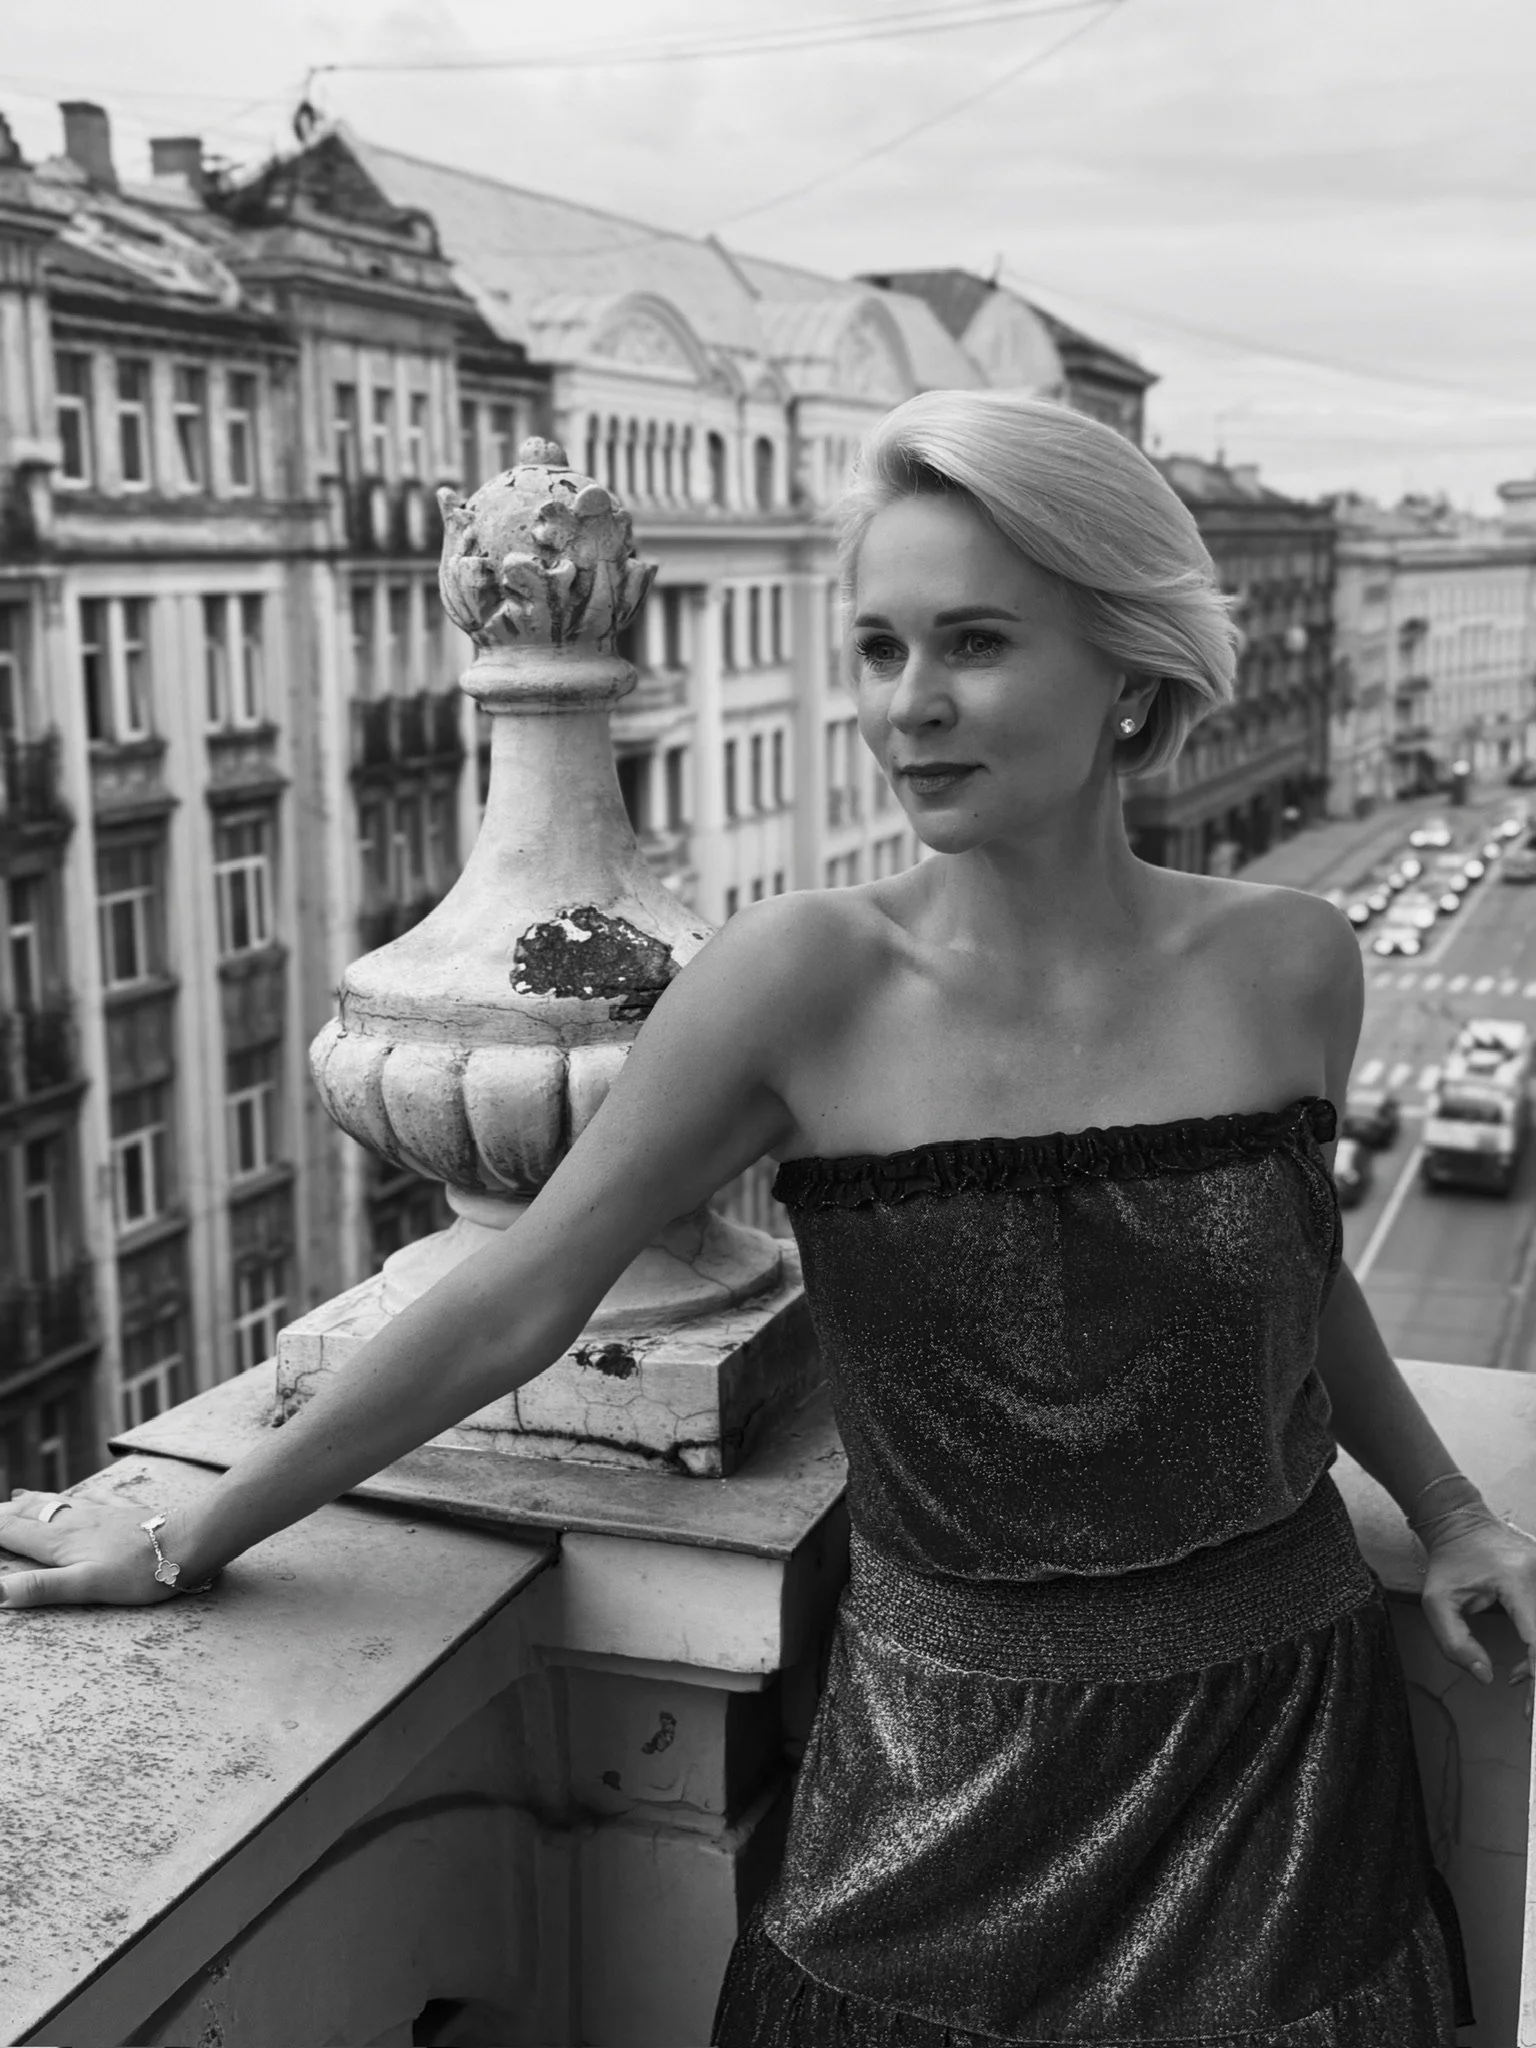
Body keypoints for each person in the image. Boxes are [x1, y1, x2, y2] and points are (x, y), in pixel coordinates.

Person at [2, 392, 1531, 2045]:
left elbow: (1290, 1279)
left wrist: (1448, 1512)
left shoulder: (1291, 960)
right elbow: (518, 1298)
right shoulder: (800, 983)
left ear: (1133, 669)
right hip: (943, 1784)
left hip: (1279, 1760)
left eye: (975, 644)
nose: (910, 707)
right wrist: (186, 1528)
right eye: (878, 650)